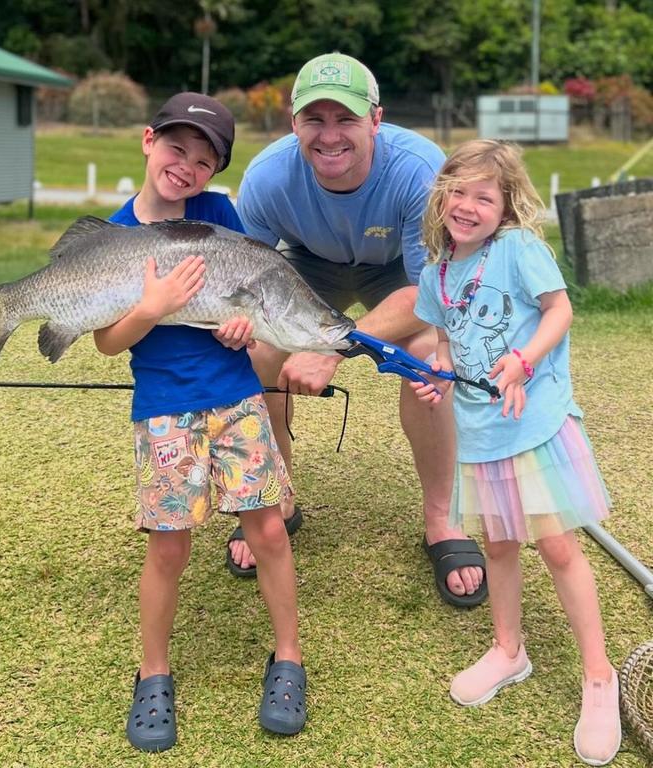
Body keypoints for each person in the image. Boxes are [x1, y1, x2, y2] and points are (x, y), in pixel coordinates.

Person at [233, 52, 487, 607]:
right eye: (313, 120)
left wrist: (331, 348)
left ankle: (441, 520)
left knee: (426, 359)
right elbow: (247, 281)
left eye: (345, 119)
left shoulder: (420, 170)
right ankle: (275, 497)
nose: (330, 136)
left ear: (376, 119)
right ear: (292, 122)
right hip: (307, 265)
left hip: (398, 272)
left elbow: (432, 294)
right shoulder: (267, 178)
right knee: (256, 354)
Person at [94, 93, 307, 752]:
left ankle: (290, 658)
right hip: (163, 407)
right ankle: (153, 672)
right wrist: (151, 305)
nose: (184, 167)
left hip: (237, 397)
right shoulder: (114, 233)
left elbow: (245, 296)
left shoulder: (219, 214)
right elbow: (106, 342)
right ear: (147, 140)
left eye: (203, 159)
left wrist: (242, 328)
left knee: (268, 527)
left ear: (215, 171)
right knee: (169, 545)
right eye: (175, 149)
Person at [411, 139, 621, 766]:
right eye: (460, 190)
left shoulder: (520, 250)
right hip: (480, 430)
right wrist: (439, 367)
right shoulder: (435, 270)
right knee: (499, 544)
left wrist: (525, 361)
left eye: (485, 195)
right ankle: (509, 650)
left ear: (505, 207)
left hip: (534, 419)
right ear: (441, 194)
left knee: (557, 545)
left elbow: (561, 310)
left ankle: (599, 676)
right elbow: (444, 337)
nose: (469, 205)